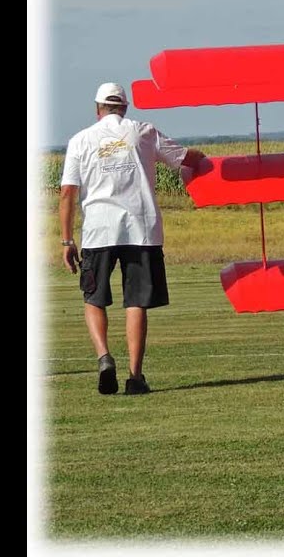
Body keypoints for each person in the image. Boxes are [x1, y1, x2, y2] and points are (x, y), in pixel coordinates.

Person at [59, 82, 207, 394]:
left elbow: (67, 193)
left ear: (98, 109)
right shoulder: (143, 131)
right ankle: (135, 376)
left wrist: (66, 240)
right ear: (124, 107)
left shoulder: (80, 140)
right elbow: (182, 157)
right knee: (136, 301)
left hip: (98, 230)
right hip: (140, 229)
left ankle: (103, 357)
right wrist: (204, 159)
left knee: (92, 298)